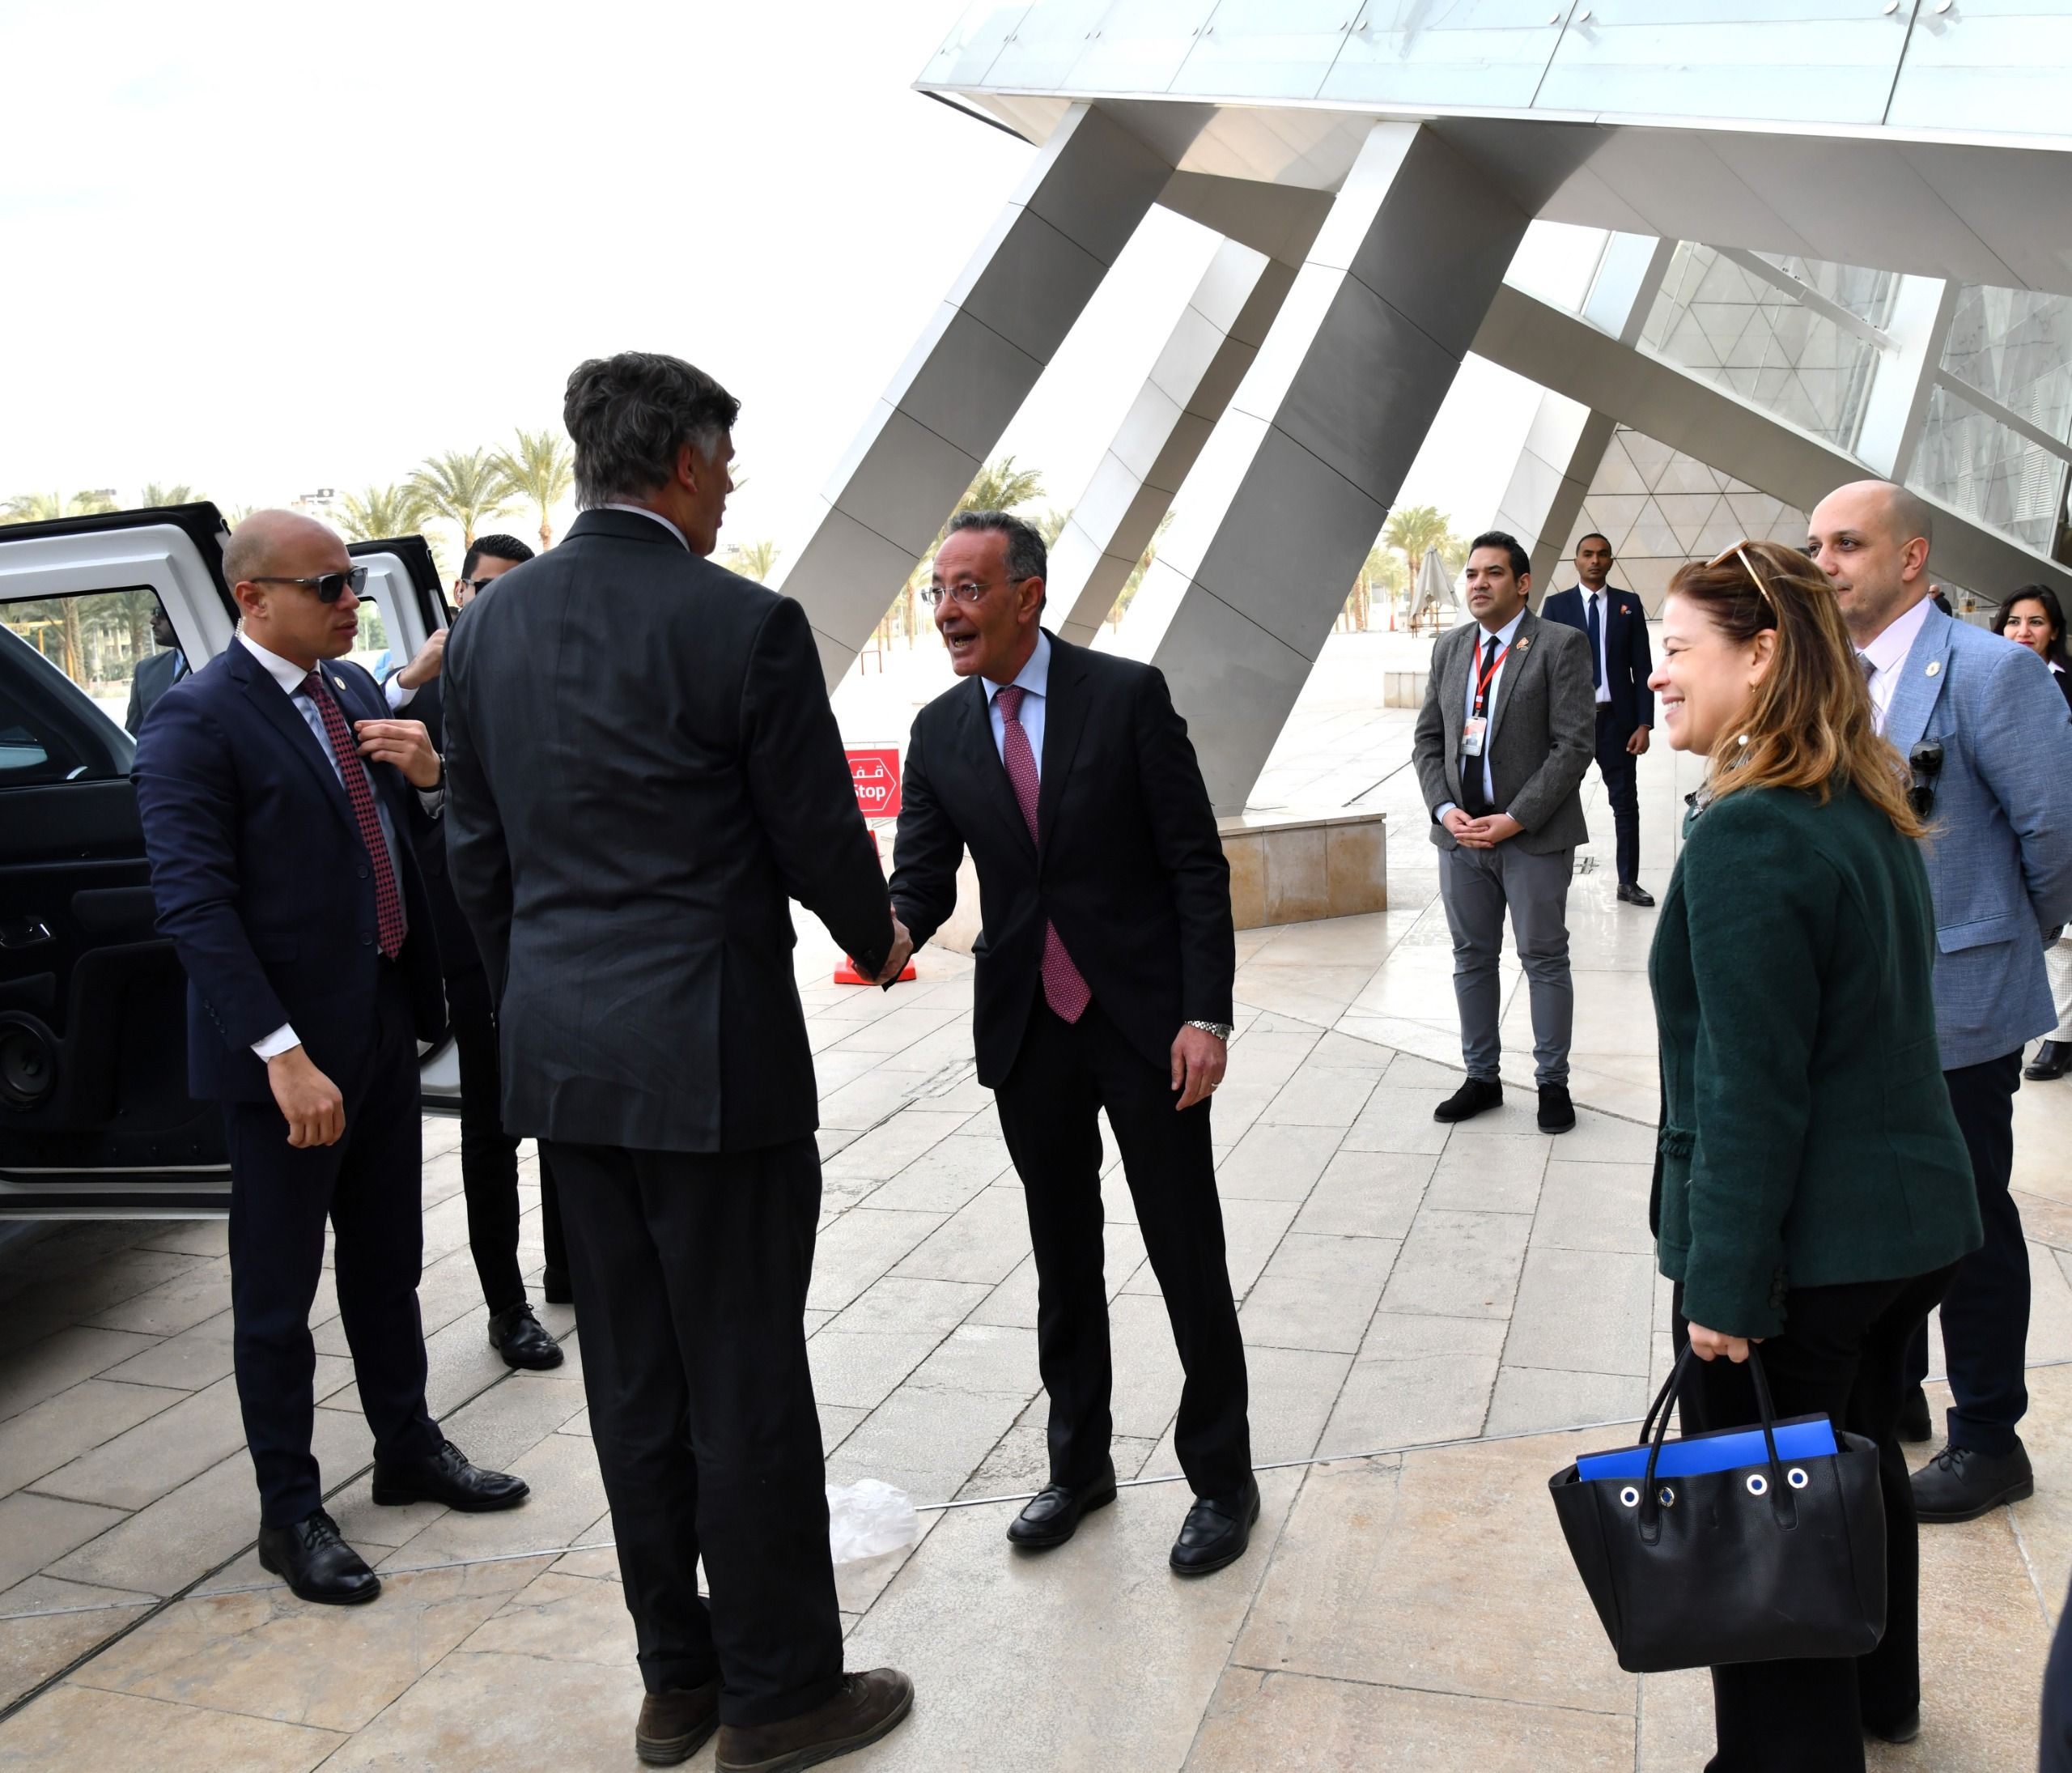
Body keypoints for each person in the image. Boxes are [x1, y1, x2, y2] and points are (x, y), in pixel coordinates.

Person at [441, 351, 913, 1771]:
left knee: (634, 1386)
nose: (729, 495)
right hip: (713, 1065)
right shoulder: (742, 623)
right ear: (689, 461)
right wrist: (879, 934)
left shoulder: (486, 630)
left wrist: (544, 999)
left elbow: (478, 857)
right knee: (745, 1379)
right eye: (727, 469)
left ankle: (676, 1681)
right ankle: (781, 1696)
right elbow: (816, 833)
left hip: (567, 1065)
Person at [131, 509, 529, 1608]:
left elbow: (389, 835)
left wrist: (431, 773)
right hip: (290, 1065)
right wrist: (281, 1052)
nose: (352, 601)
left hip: (382, 1028)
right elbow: (195, 907)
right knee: (276, 1294)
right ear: (253, 598)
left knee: (387, 1262)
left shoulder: (349, 692)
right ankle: (290, 1511)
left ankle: (407, 1446)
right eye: (328, 586)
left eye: (352, 580)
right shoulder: (193, 722)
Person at [1647, 536, 1981, 1769]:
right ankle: (1879, 1694)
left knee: (1765, 1510)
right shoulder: (1860, 798)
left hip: (1807, 1253)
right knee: (1854, 1455)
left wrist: (1725, 1286)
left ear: (1762, 656)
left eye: (1678, 649)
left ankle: (1787, 1753)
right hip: (1902, 1227)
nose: (1658, 674)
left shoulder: (1751, 831)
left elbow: (1750, 1087)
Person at [887, 510, 1257, 1575]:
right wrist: (889, 928)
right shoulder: (939, 730)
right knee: (1062, 1253)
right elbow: (922, 875)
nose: (947, 610)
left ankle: (1222, 1479)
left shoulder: (1126, 696)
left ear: (1027, 595)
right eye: (937, 591)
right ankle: (1078, 1465)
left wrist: (1205, 1014)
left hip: (1144, 1023)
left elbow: (1195, 864)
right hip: (1028, 1030)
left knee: (1185, 1248)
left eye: (967, 588)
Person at [1807, 480, 2072, 1521]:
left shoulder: (1994, 671)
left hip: (1957, 1004)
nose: (1824, 564)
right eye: (1815, 545)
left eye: (1846, 544)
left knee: (1966, 1224)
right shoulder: (1825, 672)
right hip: (1853, 1006)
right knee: (1879, 1211)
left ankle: (1990, 1438)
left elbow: (2055, 834)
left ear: (1911, 558)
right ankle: (1898, 1392)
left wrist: (2002, 934)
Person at [385, 533, 569, 1371]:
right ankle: (507, 1306)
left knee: (568, 1110)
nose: (497, 603)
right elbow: (399, 806)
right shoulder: (416, 690)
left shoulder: (552, 675)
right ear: (458, 594)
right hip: (470, 937)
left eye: (514, 588)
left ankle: (573, 1268)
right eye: (484, 587)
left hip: (555, 929)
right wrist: (412, 694)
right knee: (493, 1124)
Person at [1412, 530, 1594, 1133]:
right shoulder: (1449, 648)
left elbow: (1574, 746)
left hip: (1530, 837)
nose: (1479, 583)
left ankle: (1552, 1083)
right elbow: (1428, 740)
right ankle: (1481, 1078)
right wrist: (1444, 810)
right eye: (1471, 574)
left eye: (1493, 573)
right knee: (1472, 957)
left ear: (1522, 584)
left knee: (1544, 957)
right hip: (1461, 838)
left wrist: (1515, 818)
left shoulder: (1560, 645)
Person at [1538, 532, 1656, 905]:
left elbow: (1643, 667)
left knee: (1625, 804)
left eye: (1602, 554)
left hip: (1616, 723)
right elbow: (1543, 670)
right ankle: (1552, 881)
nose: (1595, 560)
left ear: (1610, 561)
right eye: (1587, 554)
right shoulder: (1557, 607)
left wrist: (1644, 724)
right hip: (1571, 725)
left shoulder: (1628, 605)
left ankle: (1628, 882)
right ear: (1576, 561)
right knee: (1557, 801)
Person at [1993, 585, 2072, 1082]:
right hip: (2008, 823)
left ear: (2055, 631)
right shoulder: (1984, 674)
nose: (2023, 632)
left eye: (2036, 622)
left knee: (2063, 937)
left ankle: (2060, 1039)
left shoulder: (2065, 683)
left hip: (2059, 818)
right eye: (2014, 621)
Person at [125, 600, 187, 734]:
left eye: (160, 613)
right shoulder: (145, 671)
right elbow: (134, 736)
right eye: (153, 613)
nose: (152, 621)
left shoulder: (223, 663)